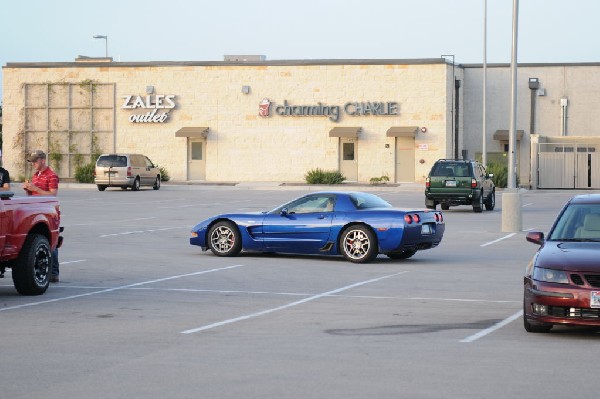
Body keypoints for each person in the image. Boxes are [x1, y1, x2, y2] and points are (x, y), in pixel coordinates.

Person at [23, 150, 60, 282]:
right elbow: (33, 195)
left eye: (35, 161)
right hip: (37, 212)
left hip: (49, 212)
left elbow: (52, 195)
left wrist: (35, 189)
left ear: (43, 160)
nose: (33, 163)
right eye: (32, 161)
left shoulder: (52, 175)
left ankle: (54, 272)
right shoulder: (36, 175)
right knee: (39, 240)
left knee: (51, 241)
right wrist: (28, 190)